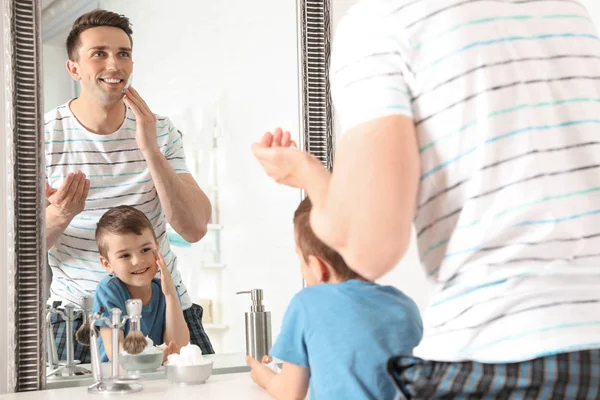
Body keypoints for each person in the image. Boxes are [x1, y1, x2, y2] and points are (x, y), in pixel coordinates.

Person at [252, 0, 600, 397]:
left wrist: (306, 173)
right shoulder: (565, 8)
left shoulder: (383, 23)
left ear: (317, 267)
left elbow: (369, 248)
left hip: (502, 353)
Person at [45, 9, 213, 363]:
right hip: (78, 316)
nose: (114, 64)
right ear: (74, 69)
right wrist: (60, 214)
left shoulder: (160, 130)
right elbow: (12, 254)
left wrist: (150, 150)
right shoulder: (43, 137)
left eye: (123, 53)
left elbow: (194, 227)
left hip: (163, 308)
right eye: (99, 53)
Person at [245, 197, 422, 399]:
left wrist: (264, 377)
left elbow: (290, 393)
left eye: (299, 257)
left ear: (318, 267)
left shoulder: (307, 303)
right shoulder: (404, 305)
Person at [92, 206, 188, 362]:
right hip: (117, 378)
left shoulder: (166, 290)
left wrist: (170, 295)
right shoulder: (109, 291)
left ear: (157, 248)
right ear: (107, 264)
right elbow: (116, 353)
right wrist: (154, 357)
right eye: (125, 255)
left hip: (156, 377)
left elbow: (178, 347)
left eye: (145, 249)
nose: (138, 261)